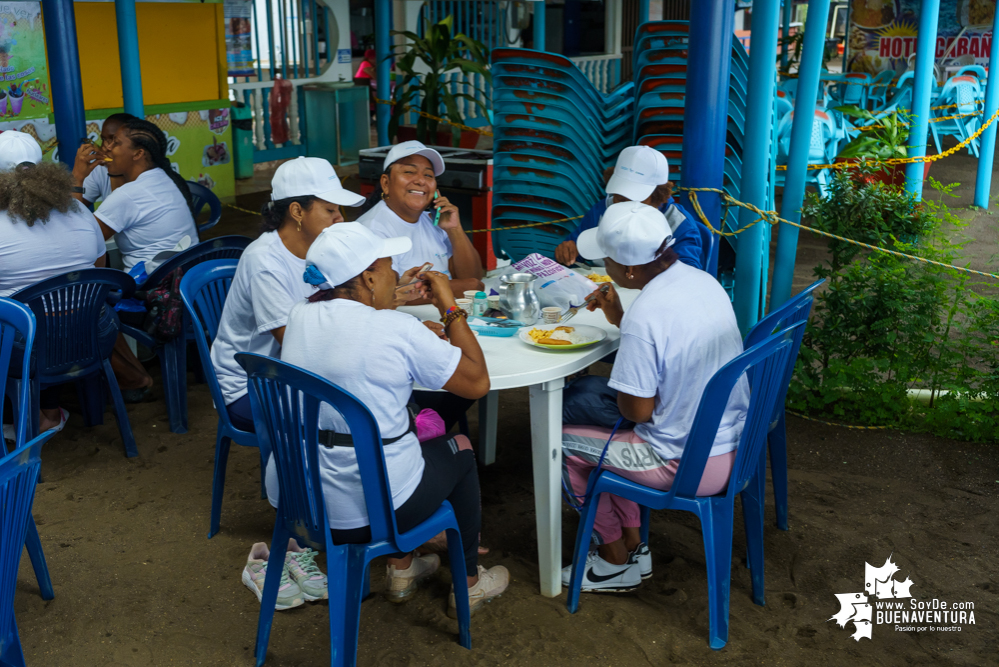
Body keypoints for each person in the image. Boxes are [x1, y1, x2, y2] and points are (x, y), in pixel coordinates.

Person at [270, 222, 508, 615]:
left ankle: (403, 569)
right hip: (370, 512)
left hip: (299, 500)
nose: (396, 273)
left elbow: (355, 324)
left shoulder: (299, 315)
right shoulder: (397, 330)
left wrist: (403, 320)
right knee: (460, 449)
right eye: (389, 267)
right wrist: (448, 307)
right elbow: (477, 382)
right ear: (367, 277)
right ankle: (469, 583)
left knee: (399, 440)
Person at [559, 202, 749, 593]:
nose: (604, 267)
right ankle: (633, 543)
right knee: (600, 424)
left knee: (557, 442)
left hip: (688, 463)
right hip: (735, 444)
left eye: (607, 260)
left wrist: (625, 366)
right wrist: (619, 317)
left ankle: (613, 559)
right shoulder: (701, 280)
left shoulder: (646, 314)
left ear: (628, 269)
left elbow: (638, 412)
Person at [211, 157, 367, 434]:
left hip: (291, 373)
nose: (340, 218)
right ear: (297, 211)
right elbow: (297, 346)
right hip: (250, 385)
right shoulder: (265, 262)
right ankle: (308, 476)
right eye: (330, 209)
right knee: (351, 416)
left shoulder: (320, 250)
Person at [0, 131, 113, 434]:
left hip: (29, 351)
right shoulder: (78, 209)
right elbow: (98, 267)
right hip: (94, 337)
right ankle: (48, 411)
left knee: (20, 322)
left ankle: (20, 419)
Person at [357, 140, 485, 299]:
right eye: (409, 172)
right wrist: (456, 288)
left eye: (428, 175)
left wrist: (454, 229)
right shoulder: (374, 228)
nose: (420, 180)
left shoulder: (434, 222)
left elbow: (473, 276)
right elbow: (382, 296)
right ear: (386, 183)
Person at [71, 117, 198, 272]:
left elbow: (77, 242)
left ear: (138, 153)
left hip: (149, 287)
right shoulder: (163, 178)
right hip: (182, 276)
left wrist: (77, 177)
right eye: (105, 140)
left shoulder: (129, 195)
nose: (107, 148)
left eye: (115, 143)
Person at [554, 146, 704, 271]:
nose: (623, 204)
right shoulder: (602, 210)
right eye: (619, 196)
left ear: (658, 194)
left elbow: (688, 274)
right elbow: (577, 249)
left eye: (634, 198)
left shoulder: (679, 224)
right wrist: (569, 250)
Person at [78, 112, 139, 207]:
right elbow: (72, 211)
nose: (106, 147)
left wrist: (114, 171)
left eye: (114, 140)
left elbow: (119, 213)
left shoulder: (145, 175)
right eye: (103, 139)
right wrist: (78, 176)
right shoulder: (101, 169)